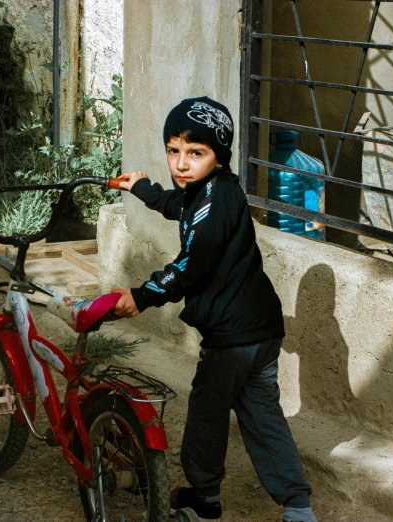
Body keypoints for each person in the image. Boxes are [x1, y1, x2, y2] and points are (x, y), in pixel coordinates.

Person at [112, 96, 317, 522]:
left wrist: (144, 294)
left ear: (219, 158)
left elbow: (193, 262)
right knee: (262, 417)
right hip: (262, 332)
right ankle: (298, 506)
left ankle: (204, 501)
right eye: (174, 150)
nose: (182, 163)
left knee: (206, 416)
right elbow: (178, 205)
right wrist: (143, 188)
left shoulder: (217, 199)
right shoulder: (206, 191)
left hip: (232, 339)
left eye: (196, 153)